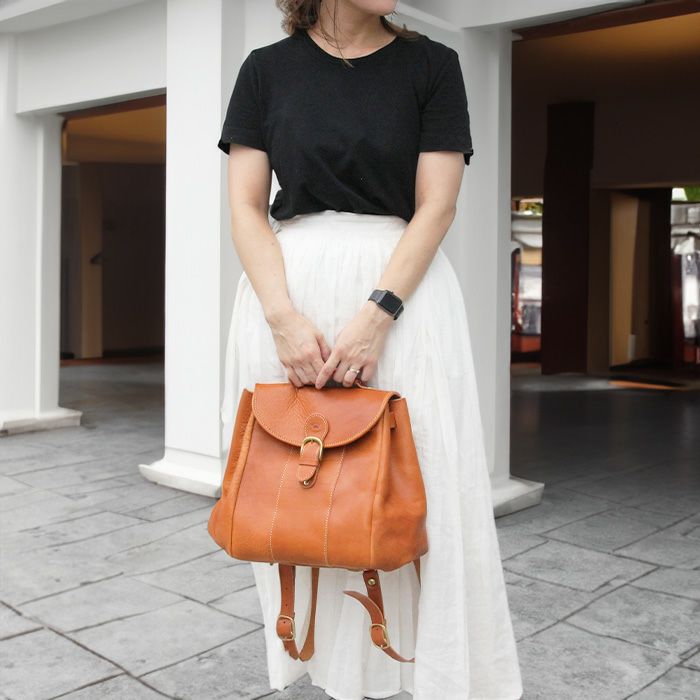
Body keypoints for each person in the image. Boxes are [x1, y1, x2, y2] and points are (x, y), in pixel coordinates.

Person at [217, 1, 523, 699]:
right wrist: (281, 317)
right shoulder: (266, 70)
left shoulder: (432, 66)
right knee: (294, 486)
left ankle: (419, 670)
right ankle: (327, 668)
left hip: (401, 297)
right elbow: (245, 206)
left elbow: (437, 205)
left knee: (419, 483)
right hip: (286, 297)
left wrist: (379, 312)